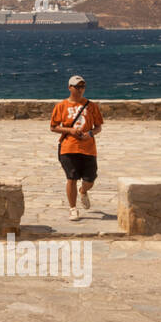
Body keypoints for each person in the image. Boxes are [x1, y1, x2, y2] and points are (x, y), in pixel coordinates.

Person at [50, 75, 103, 221]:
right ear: (70, 88)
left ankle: (83, 190)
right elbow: (53, 127)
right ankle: (73, 208)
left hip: (88, 148)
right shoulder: (61, 106)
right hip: (68, 147)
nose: (80, 89)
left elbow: (98, 127)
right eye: (77, 87)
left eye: (82, 87)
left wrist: (90, 134)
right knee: (71, 178)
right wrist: (70, 131)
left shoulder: (91, 106)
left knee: (90, 180)